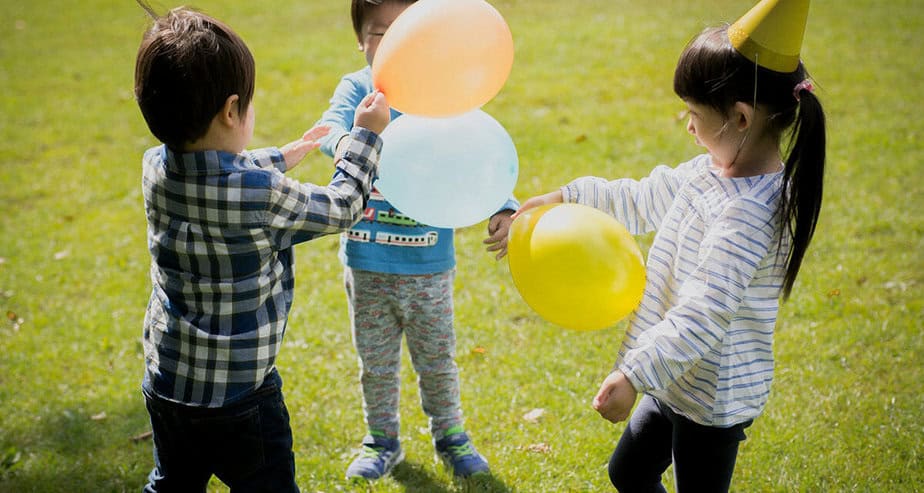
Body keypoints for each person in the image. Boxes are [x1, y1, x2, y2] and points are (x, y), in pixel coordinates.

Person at [514, 0, 826, 490]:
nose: (688, 126)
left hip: (711, 399)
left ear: (741, 118)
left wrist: (635, 374)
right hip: (672, 373)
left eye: (695, 114)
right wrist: (565, 197)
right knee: (629, 472)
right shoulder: (709, 172)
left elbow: (703, 313)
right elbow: (641, 197)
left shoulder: (749, 213)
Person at [133, 2, 390, 491]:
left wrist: (284, 155)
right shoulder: (260, 195)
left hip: (168, 382)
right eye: (247, 104)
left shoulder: (155, 168)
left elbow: (225, 171)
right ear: (231, 111)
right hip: (240, 398)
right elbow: (342, 205)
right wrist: (364, 137)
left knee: (172, 483)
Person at [313, 0, 517, 481]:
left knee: (437, 362)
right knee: (376, 365)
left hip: (428, 266)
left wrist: (502, 204)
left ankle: (451, 436)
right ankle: (381, 441)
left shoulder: (442, 92)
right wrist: (351, 142)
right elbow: (328, 128)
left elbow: (476, 155)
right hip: (367, 260)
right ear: (361, 39)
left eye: (406, 30)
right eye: (380, 33)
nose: (393, 43)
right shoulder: (359, 89)